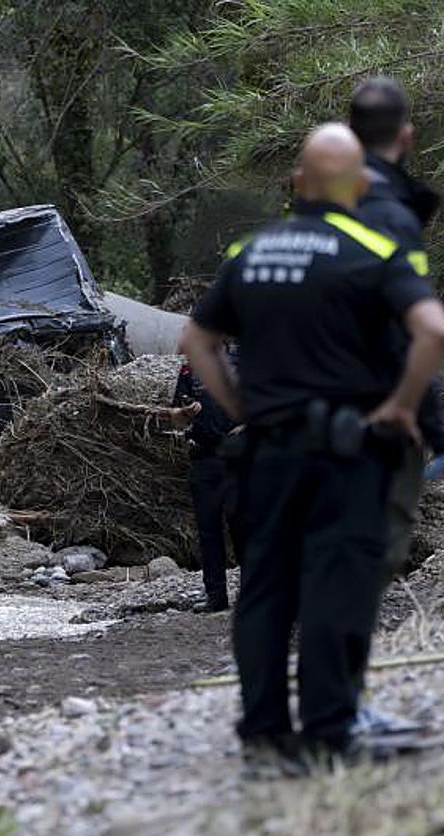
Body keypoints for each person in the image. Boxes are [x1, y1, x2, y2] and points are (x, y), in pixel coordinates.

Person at [181, 123, 444, 768]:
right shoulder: (371, 248)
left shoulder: (251, 250)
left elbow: (196, 342)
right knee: (336, 587)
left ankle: (265, 732)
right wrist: (402, 405)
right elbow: (432, 330)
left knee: (265, 590)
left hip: (267, 452)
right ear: (358, 187)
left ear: (296, 184)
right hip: (347, 454)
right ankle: (330, 731)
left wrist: (241, 405)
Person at [349, 77, 444, 581]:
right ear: (405, 137)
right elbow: (419, 329)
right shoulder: (393, 214)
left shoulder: (311, 212)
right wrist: (419, 408)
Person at [169, 351, 245, 613]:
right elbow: (175, 412)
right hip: (203, 458)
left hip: (238, 459)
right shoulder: (190, 370)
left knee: (242, 527)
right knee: (208, 530)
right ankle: (216, 596)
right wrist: (185, 411)